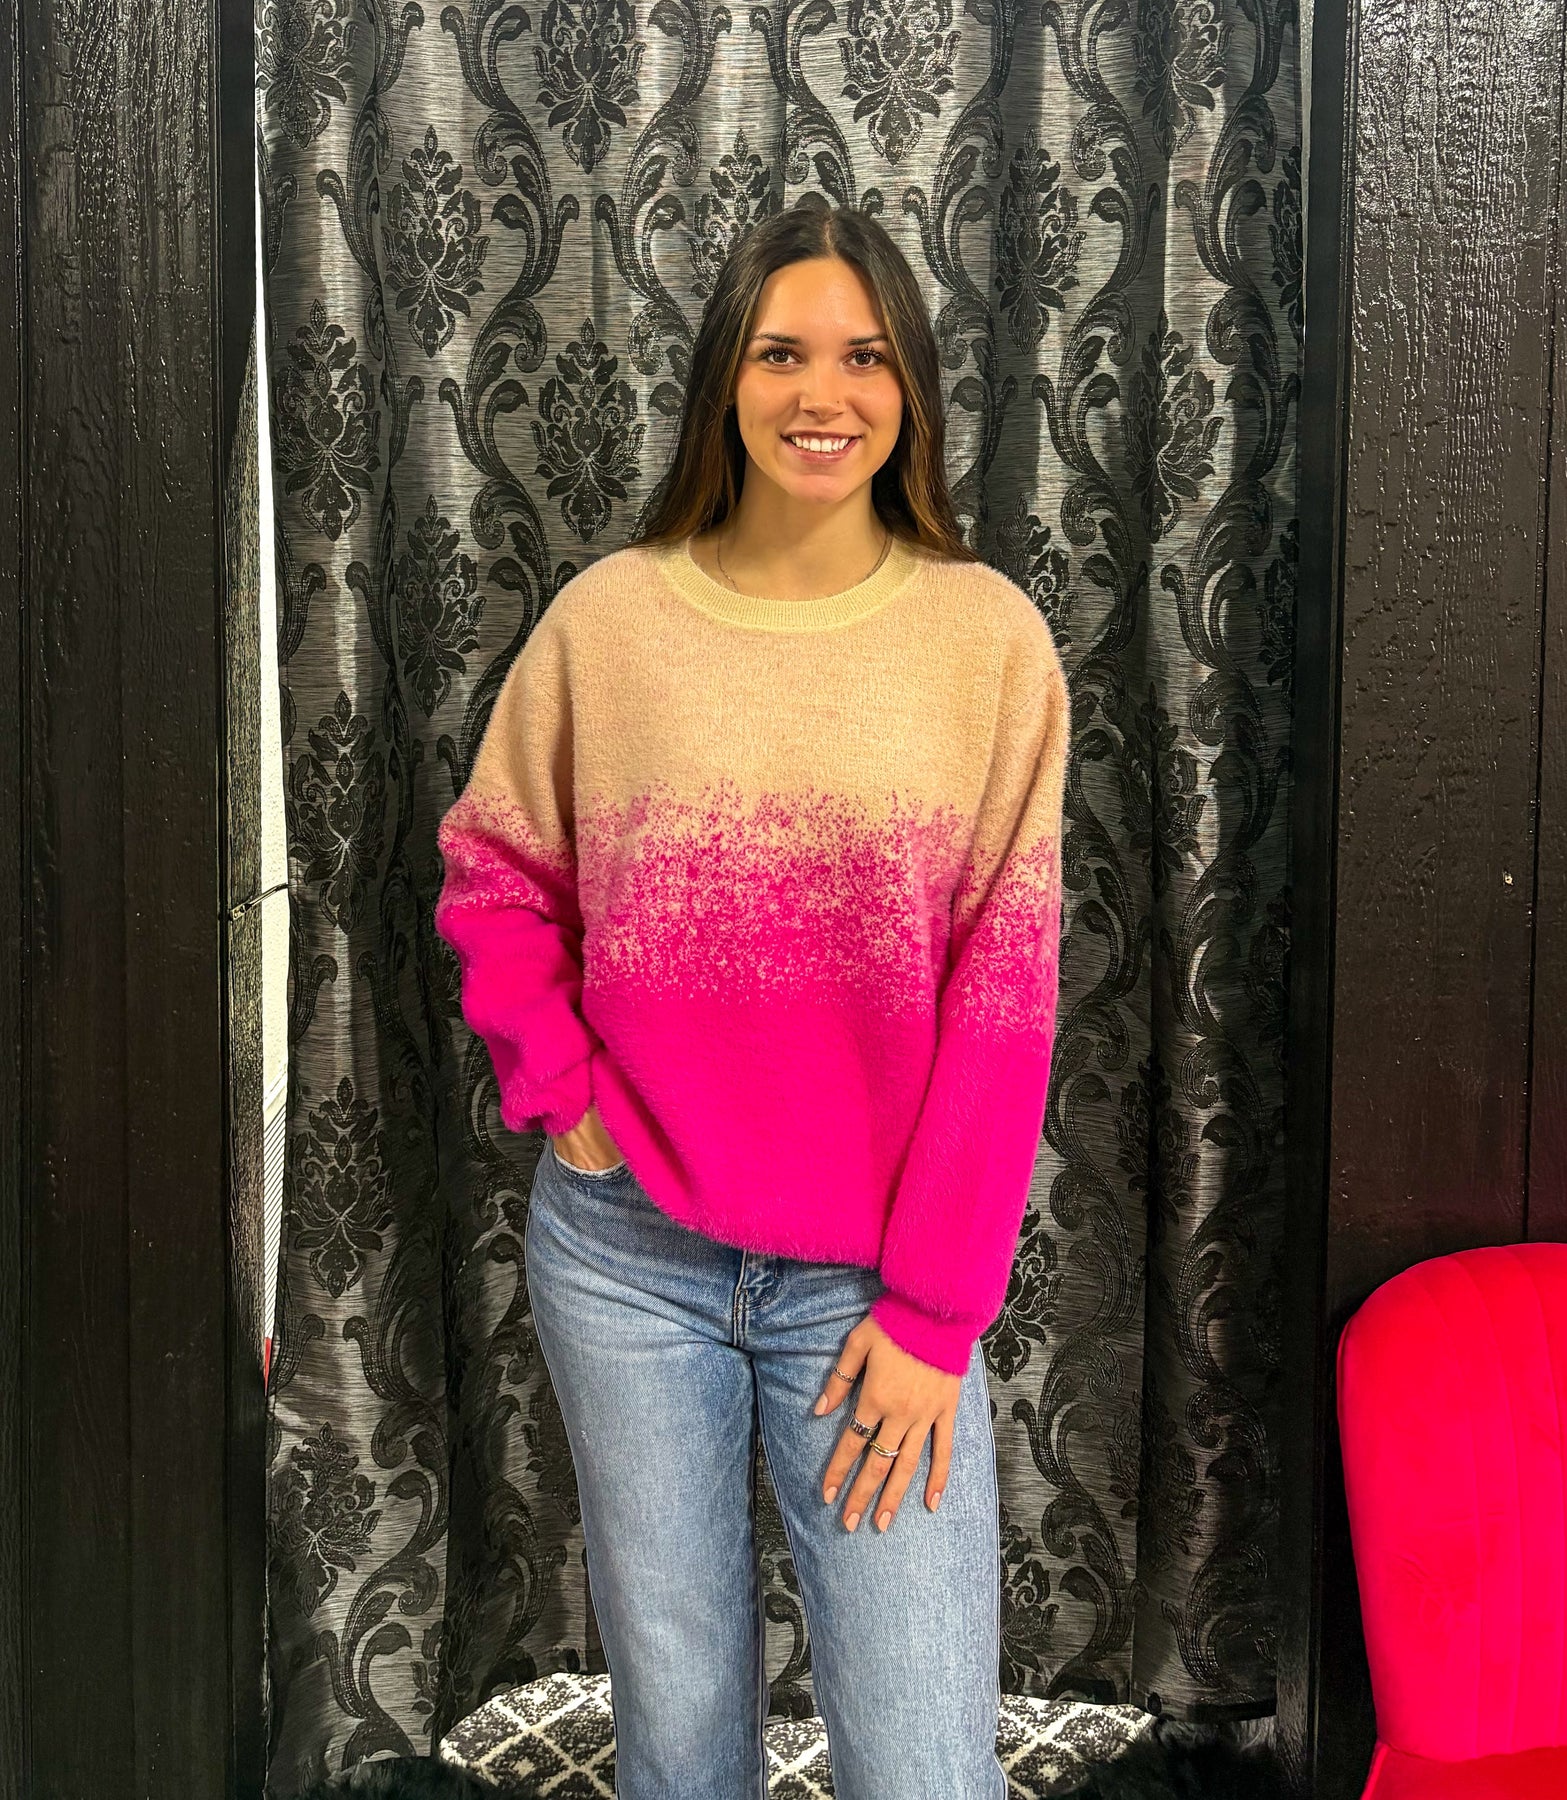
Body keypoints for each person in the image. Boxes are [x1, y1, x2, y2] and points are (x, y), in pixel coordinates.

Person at [434, 201, 1070, 1800]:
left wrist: (933, 1314)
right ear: (727, 374)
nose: (822, 394)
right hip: (625, 1259)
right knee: (679, 1736)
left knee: (923, 1761)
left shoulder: (988, 644)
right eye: (783, 352)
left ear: (912, 385)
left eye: (866, 357)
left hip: (872, 1288)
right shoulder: (609, 622)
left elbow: (1005, 1007)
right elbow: (496, 878)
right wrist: (565, 1100)